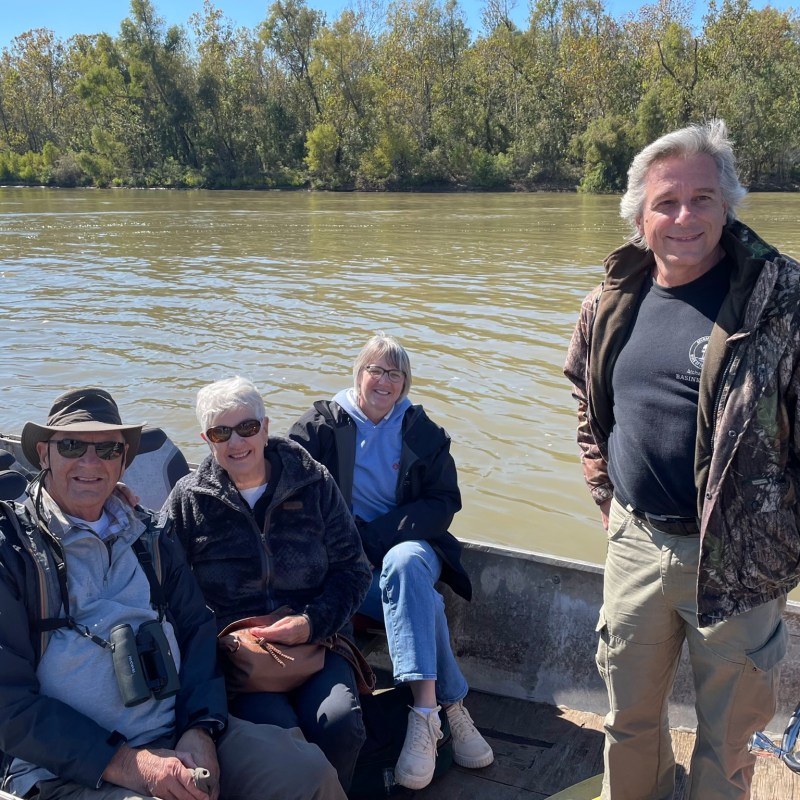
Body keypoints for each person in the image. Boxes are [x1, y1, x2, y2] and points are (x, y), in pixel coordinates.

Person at [564, 120, 800, 800]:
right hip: (635, 543)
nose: (684, 217)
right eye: (665, 202)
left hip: (743, 561)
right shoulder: (612, 297)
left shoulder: (783, 300)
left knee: (727, 743)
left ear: (728, 206)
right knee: (627, 722)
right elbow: (586, 396)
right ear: (640, 216)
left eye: (702, 198)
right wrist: (605, 496)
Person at [0, 387, 346, 800]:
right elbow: (8, 704)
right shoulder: (12, 552)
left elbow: (197, 631)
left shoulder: (151, 535)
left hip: (177, 732)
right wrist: (128, 763)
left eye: (108, 449)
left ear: (123, 461)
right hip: (70, 768)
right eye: (72, 446)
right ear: (44, 454)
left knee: (308, 774)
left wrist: (201, 727)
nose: (90, 462)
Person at [289, 334, 494, 791]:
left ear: (405, 383)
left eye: (395, 374)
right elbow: (288, 490)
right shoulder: (320, 426)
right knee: (425, 605)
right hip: (345, 560)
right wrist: (347, 544)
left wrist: (377, 537)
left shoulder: (423, 433)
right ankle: (448, 708)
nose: (384, 381)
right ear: (358, 374)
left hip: (411, 547)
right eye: (375, 370)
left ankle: (422, 714)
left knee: (404, 565)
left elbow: (443, 502)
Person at [161, 377, 371, 793]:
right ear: (206, 440)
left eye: (247, 427)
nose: (236, 442)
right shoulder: (189, 498)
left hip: (318, 642)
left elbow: (354, 569)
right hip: (239, 657)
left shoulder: (314, 482)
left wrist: (311, 623)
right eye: (221, 433)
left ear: (266, 427)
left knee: (340, 723)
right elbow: (159, 573)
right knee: (280, 736)